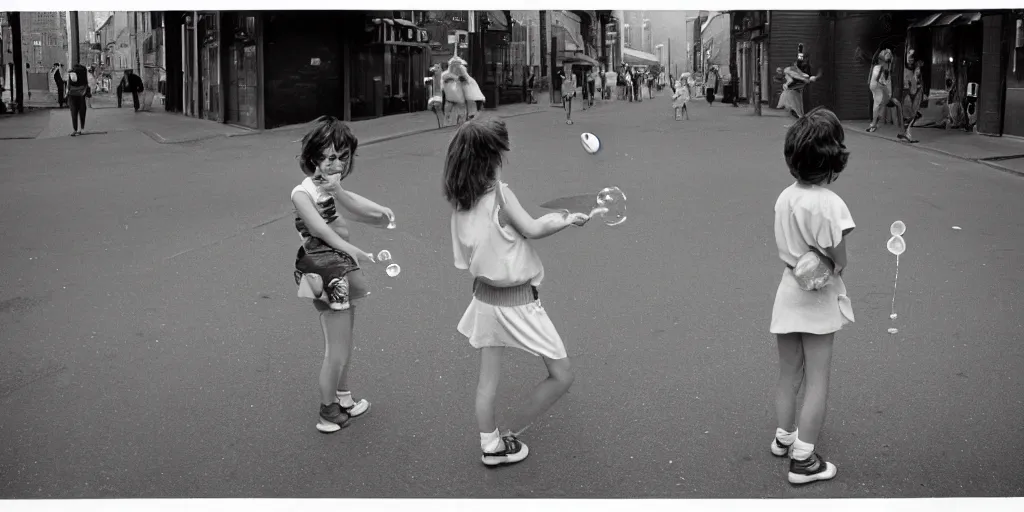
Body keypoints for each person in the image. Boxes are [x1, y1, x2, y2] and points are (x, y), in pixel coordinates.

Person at [444, 117, 589, 466]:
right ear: (491, 157)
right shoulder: (500, 196)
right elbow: (535, 228)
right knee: (562, 373)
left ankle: (490, 444)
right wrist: (566, 219)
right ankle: (510, 433)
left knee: (487, 382)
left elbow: (470, 253)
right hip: (517, 301)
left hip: (483, 299)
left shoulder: (461, 203)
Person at [291, 116, 394, 433]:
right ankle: (327, 410)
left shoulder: (329, 186)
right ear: (314, 159)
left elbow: (360, 209)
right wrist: (354, 251)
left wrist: (381, 212)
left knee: (345, 341)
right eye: (331, 157)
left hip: (339, 266)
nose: (338, 164)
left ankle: (344, 397)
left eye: (344, 157)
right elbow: (320, 229)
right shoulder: (302, 192)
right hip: (323, 268)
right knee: (335, 347)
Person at [769, 107, 854, 485]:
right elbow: (839, 256)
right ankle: (804, 460)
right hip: (817, 295)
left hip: (788, 289)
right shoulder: (830, 203)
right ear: (833, 157)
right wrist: (835, 265)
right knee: (818, 378)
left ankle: (784, 437)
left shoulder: (785, 196)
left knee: (789, 374)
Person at [867, 49, 915, 143]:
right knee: (890, 107)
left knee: (898, 108)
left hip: (891, 94)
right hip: (885, 94)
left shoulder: (890, 69)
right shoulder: (880, 69)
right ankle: (875, 125)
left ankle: (902, 131)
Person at [66, 63, 89, 136]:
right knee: (82, 112)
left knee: (74, 112)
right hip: (82, 94)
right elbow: (86, 83)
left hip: (72, 95)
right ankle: (82, 129)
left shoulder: (72, 72)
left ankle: (75, 129)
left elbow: (68, 85)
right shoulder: (84, 72)